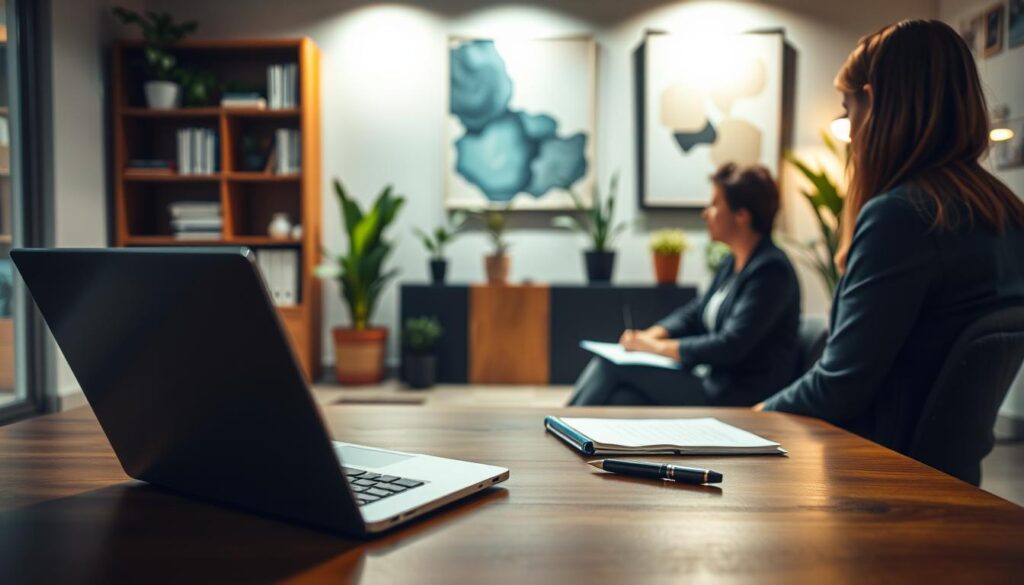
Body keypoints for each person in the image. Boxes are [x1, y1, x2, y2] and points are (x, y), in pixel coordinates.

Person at [758, 20, 1024, 454]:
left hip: (875, 474)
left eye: (847, 110)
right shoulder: (1006, 213)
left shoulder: (901, 218)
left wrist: (756, 416)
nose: (849, 133)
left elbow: (840, 386)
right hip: (946, 477)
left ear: (873, 102)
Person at [568, 162, 800, 407]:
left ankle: (558, 428)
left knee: (610, 365)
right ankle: (570, 436)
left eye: (714, 204)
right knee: (622, 399)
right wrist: (650, 334)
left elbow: (730, 345)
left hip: (738, 395)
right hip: (713, 381)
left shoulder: (771, 270)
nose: (705, 213)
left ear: (742, 215)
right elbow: (695, 313)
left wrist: (656, 347)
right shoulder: (732, 263)